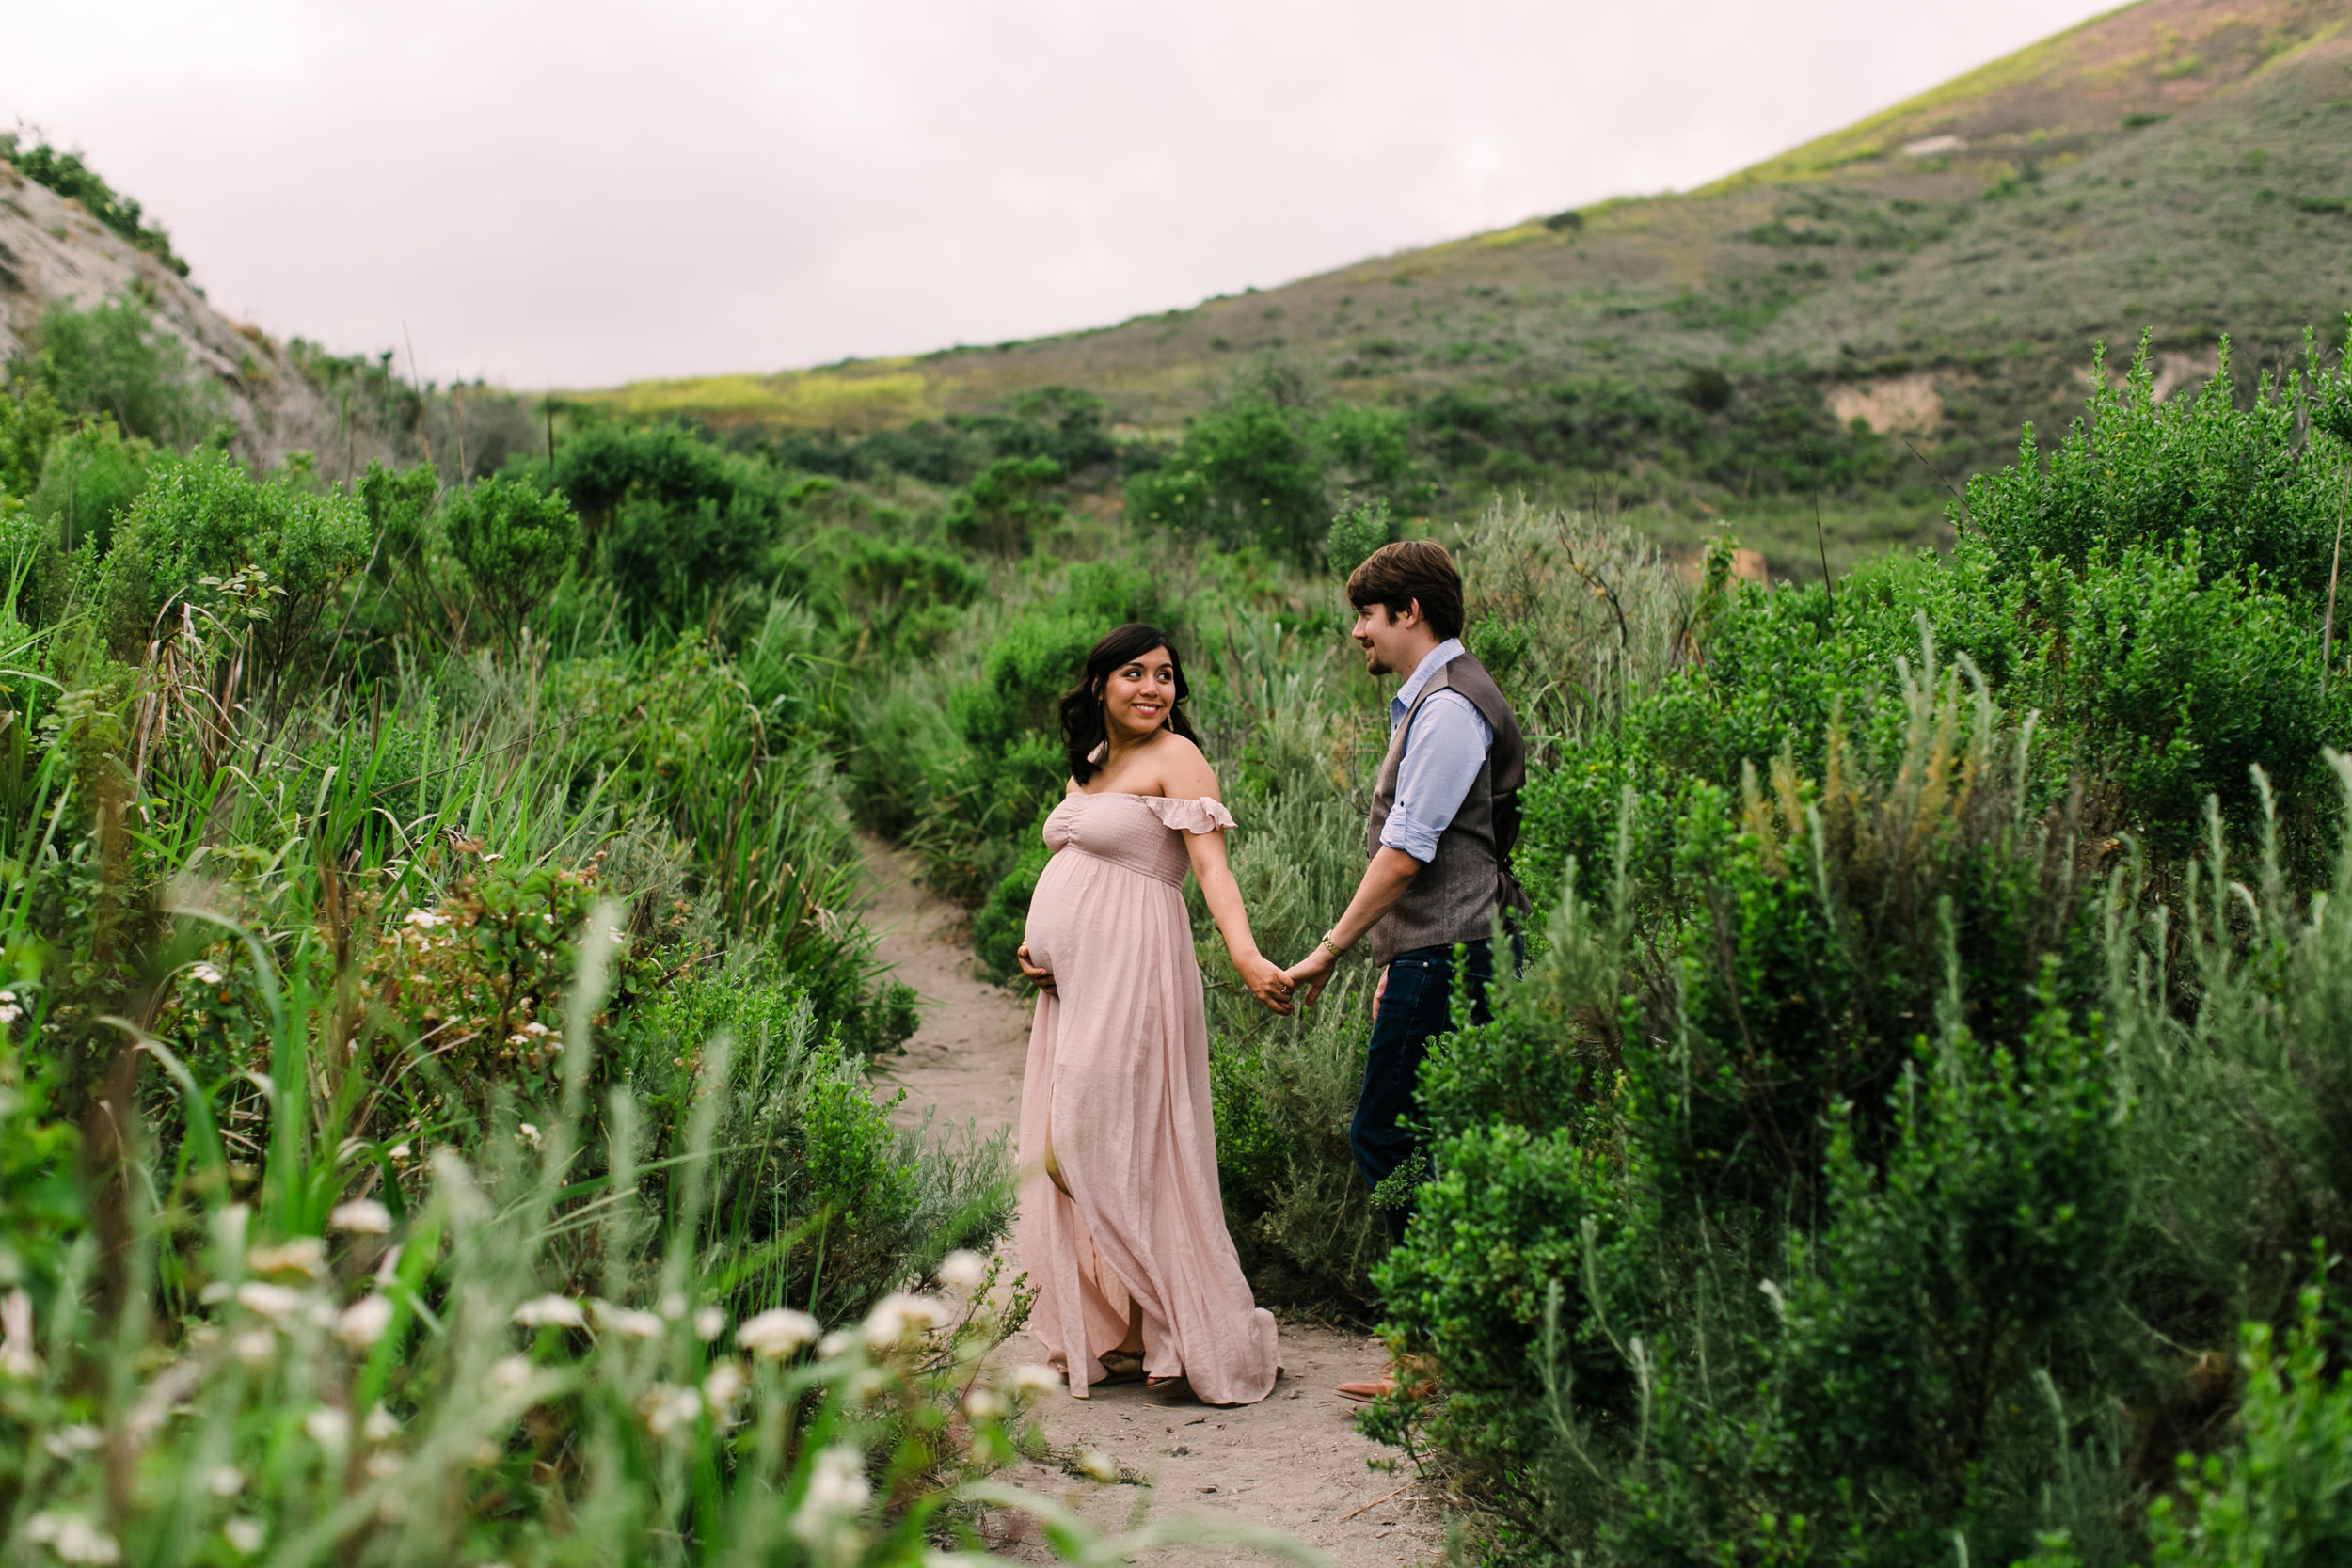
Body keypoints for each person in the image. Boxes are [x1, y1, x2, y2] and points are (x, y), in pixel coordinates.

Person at [1009, 623, 1292, 1404]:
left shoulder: (1178, 758)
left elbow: (1212, 871)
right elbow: (1076, 870)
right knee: (1070, 1140)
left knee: (1113, 1136)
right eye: (1133, 673)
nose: (1151, 688)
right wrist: (1040, 949)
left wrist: (1244, 954)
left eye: (1165, 676)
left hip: (1138, 973)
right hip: (1075, 987)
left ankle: (1179, 1325)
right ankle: (1135, 1330)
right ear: (1099, 683)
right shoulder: (1094, 765)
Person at [1283, 541, 1529, 1402]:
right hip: (1448, 950)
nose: (1358, 632)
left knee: (1388, 1134)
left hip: (1453, 951)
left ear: (1409, 612)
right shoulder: (1446, 697)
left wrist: (1332, 947)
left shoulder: (1450, 707)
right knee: (1441, 1138)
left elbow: (1407, 854)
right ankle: (1462, 1343)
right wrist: (1398, 957)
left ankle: (1428, 1351)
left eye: (1367, 615)